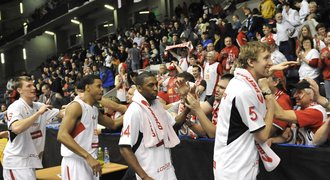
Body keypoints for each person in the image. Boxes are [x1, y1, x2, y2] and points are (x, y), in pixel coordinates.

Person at [195, 41, 278, 180]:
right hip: (236, 168)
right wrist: (270, 102)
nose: (271, 62)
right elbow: (262, 136)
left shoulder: (238, 82)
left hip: (234, 163)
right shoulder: (244, 91)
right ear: (251, 62)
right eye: (266, 58)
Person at [119, 72, 189, 180]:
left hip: (167, 171)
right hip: (150, 174)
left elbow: (174, 126)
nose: (156, 88)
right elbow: (124, 148)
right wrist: (144, 177)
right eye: (151, 85)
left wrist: (188, 102)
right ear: (139, 88)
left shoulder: (156, 105)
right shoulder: (134, 111)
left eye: (156, 84)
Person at [57, 75, 122, 180]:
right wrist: (88, 157)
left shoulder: (94, 109)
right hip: (76, 162)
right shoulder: (76, 106)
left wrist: (132, 110)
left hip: (90, 161)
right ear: (87, 87)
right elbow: (62, 135)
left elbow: (113, 124)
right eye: (98, 86)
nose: (102, 90)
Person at [2, 76, 64, 180]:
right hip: (17, 163)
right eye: (29, 86)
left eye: (33, 85)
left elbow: (62, 114)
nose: (34, 88)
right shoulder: (16, 106)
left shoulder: (38, 105)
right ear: (19, 90)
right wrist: (38, 114)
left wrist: (77, 104)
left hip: (29, 162)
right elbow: (16, 128)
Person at [272, 79, 327, 145]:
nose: (294, 95)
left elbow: (280, 115)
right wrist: (273, 140)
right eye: (295, 92)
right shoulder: (299, 108)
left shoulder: (316, 112)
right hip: (298, 151)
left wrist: (267, 92)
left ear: (312, 95)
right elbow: (288, 137)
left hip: (312, 153)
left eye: (299, 92)